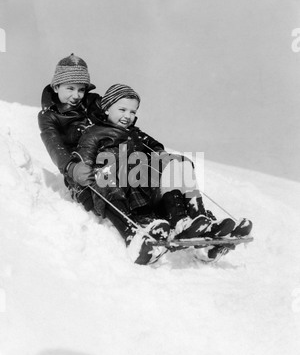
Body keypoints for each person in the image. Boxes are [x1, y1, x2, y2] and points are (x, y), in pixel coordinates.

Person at [75, 84, 253, 265]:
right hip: (126, 192)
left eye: (132, 112)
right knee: (114, 170)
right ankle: (181, 223)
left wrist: (161, 155)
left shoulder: (135, 134)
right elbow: (85, 162)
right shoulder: (94, 133)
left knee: (180, 162)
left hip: (145, 186)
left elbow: (157, 147)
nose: (128, 116)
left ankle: (198, 219)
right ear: (106, 108)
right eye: (122, 109)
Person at [38, 54, 101, 211]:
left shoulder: (92, 103)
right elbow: (54, 145)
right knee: (99, 198)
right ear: (56, 87)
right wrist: (71, 167)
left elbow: (113, 113)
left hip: (107, 158)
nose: (76, 95)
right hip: (79, 167)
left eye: (81, 90)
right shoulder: (49, 116)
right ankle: (130, 229)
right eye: (70, 88)